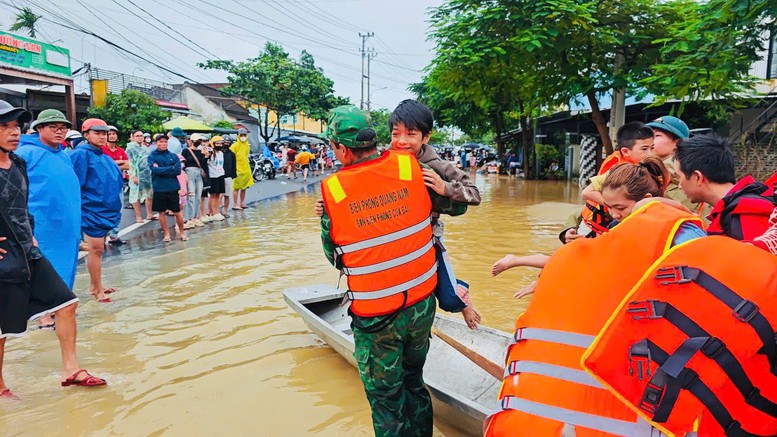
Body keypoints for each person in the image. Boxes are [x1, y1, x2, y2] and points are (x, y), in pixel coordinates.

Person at [319, 105, 437, 436]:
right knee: (414, 382)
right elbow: (447, 204)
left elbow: (335, 257)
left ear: (341, 150)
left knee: (387, 400)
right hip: (421, 306)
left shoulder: (334, 190)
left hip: (377, 319)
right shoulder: (406, 164)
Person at [0, 101, 107, 394]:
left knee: (66, 303)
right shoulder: (28, 155)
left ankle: (71, 369)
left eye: (14, 126)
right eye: (4, 127)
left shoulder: (17, 162)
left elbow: (22, 204)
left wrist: (31, 234)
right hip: (4, 255)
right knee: (2, 327)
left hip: (28, 248)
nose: (13, 133)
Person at [494, 156, 704, 298]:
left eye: (620, 207)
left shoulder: (669, 221)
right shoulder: (620, 225)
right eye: (610, 206)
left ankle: (518, 261)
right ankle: (518, 261)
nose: (614, 214)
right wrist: (544, 280)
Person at [389, 99, 483, 329]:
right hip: (394, 238)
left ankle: (463, 299)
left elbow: (475, 194)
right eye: (395, 133)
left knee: (450, 298)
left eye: (410, 134)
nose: (401, 141)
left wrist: (446, 188)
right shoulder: (382, 162)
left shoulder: (438, 166)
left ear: (426, 137)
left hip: (428, 237)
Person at [16, 109, 81, 330]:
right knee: (44, 267)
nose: (59, 131)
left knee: (65, 265)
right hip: (42, 223)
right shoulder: (25, 153)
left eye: (62, 127)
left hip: (67, 224)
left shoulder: (63, 154)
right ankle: (43, 315)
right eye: (52, 127)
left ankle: (60, 309)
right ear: (39, 129)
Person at [674, 134, 776, 245]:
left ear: (697, 177)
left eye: (679, 177)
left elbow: (758, 260)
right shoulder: (734, 210)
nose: (679, 185)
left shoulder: (747, 213)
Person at [70, 118, 124, 302]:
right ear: (86, 135)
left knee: (98, 249)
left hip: (104, 208)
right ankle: (96, 290)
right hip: (90, 210)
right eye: (97, 133)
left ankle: (96, 285)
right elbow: (75, 185)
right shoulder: (80, 154)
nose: (102, 137)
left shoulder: (103, 155)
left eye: (104, 133)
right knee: (96, 249)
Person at [646, 115, 708, 215]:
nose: (650, 140)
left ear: (677, 143)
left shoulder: (681, 170)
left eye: (657, 136)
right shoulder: (651, 167)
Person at [148, 133, 187, 242]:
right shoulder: (152, 156)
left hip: (173, 187)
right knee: (161, 212)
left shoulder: (173, 156)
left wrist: (163, 169)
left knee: (177, 211)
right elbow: (155, 170)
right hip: (159, 187)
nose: (163, 144)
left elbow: (177, 170)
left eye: (165, 142)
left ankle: (182, 233)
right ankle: (166, 234)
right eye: (161, 142)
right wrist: (169, 168)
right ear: (156, 143)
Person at [103, 125, 130, 245]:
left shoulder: (121, 151)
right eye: (109, 134)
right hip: (105, 184)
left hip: (118, 182)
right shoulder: (102, 150)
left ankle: (114, 235)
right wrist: (118, 163)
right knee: (104, 209)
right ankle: (103, 235)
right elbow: (103, 165)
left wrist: (112, 164)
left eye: (114, 134)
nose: (112, 136)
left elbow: (127, 165)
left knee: (118, 209)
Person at [126, 130, 155, 223]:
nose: (140, 137)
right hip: (136, 173)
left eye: (141, 135)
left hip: (147, 173)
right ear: (133, 137)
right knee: (136, 195)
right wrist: (133, 175)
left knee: (149, 194)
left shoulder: (145, 148)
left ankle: (149, 214)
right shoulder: (130, 149)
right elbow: (130, 163)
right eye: (137, 136)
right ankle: (138, 216)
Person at [181, 135, 207, 228]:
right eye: (197, 140)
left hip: (198, 172)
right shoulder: (186, 151)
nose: (199, 142)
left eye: (200, 140)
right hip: (189, 172)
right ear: (191, 141)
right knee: (191, 196)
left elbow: (203, 164)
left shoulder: (201, 151)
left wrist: (205, 156)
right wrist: (184, 175)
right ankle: (189, 218)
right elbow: (183, 164)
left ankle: (195, 217)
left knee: (198, 197)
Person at [230, 128, 253, 209]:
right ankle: (235, 204)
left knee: (244, 187)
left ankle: (242, 203)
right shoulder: (234, 146)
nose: (243, 136)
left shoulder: (247, 145)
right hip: (237, 169)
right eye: (241, 135)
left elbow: (246, 156)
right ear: (238, 136)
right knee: (236, 187)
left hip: (246, 169)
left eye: (244, 135)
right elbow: (231, 157)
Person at [206, 135, 226, 222]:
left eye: (220, 143)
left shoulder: (221, 153)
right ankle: (211, 212)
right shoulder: (210, 153)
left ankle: (217, 212)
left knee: (218, 195)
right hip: (212, 176)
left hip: (220, 174)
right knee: (212, 195)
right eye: (217, 143)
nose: (219, 145)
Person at [220, 136, 237, 217]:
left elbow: (234, 165)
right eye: (225, 142)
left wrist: (233, 175)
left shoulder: (232, 154)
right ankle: (216, 211)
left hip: (228, 176)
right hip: (219, 176)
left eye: (228, 143)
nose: (226, 144)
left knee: (227, 195)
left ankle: (225, 211)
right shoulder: (218, 153)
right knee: (218, 195)